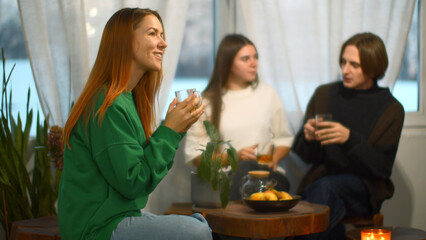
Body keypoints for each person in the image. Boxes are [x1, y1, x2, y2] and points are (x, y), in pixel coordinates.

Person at [58, 8, 212, 240]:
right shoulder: (107, 103)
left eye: (162, 35)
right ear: (124, 41)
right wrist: (170, 131)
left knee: (198, 224)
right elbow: (134, 183)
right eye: (153, 33)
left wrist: (176, 129)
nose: (163, 43)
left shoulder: (125, 98)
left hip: (118, 217)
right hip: (97, 229)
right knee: (198, 230)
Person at [292, 32, 404, 239]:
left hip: (363, 188)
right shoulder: (324, 95)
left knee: (322, 191)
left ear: (373, 67)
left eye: (355, 65)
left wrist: (349, 139)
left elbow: (381, 168)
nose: (345, 70)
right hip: (321, 183)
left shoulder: (391, 108)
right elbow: (306, 155)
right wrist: (307, 137)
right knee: (322, 194)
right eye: (343, 62)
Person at [184, 34, 294, 200]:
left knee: (258, 173)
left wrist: (273, 159)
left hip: (268, 177)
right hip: (227, 179)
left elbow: (283, 139)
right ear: (228, 64)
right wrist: (233, 158)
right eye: (245, 59)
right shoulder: (207, 101)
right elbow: (196, 157)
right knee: (245, 169)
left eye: (255, 57)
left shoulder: (267, 94)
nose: (254, 63)